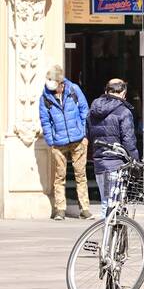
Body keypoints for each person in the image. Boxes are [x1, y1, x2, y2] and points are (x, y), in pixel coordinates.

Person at [38, 64, 90, 220]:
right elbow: (45, 121)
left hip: (78, 139)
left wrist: (83, 133)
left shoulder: (73, 90)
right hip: (58, 143)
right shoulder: (45, 97)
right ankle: (60, 209)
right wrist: (50, 141)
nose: (54, 91)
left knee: (81, 175)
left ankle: (85, 208)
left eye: (56, 88)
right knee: (59, 176)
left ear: (61, 83)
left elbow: (84, 110)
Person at [87, 78, 138, 217]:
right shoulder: (124, 112)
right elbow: (128, 141)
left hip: (99, 162)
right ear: (123, 94)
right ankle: (111, 236)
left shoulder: (93, 110)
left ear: (106, 91)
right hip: (116, 164)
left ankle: (106, 236)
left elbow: (88, 134)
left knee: (105, 202)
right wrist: (135, 161)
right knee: (115, 204)